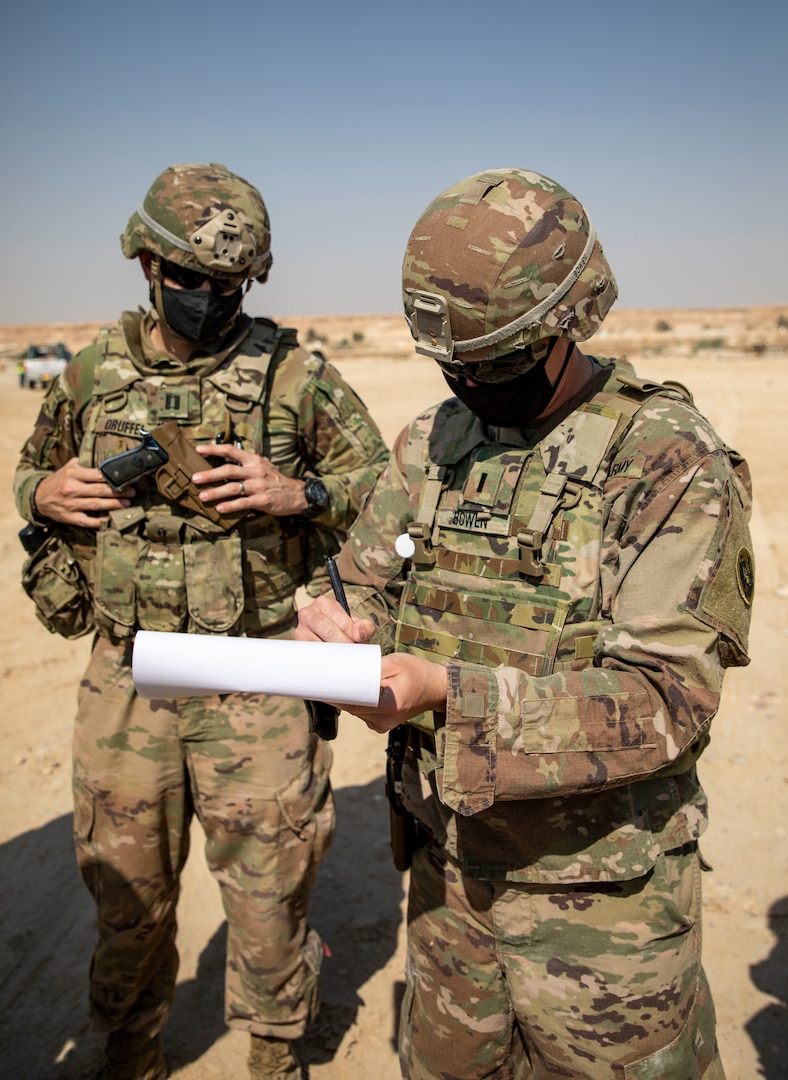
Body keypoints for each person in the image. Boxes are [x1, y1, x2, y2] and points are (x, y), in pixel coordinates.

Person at [296, 168, 755, 1079]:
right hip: (446, 885)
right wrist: (335, 621)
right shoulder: (436, 440)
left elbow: (665, 698)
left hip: (601, 913)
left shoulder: (665, 460)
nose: (472, 385)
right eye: (453, 366)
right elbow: (362, 579)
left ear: (570, 321)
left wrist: (445, 694)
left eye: (495, 364)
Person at [14, 162, 388, 1080]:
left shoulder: (298, 376)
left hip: (256, 672)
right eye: (190, 279)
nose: (209, 299)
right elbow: (32, 471)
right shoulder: (93, 372)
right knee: (126, 888)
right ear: (145, 262)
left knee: (269, 891)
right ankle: (129, 1048)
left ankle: (274, 1053)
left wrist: (300, 491)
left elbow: (386, 494)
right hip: (128, 673)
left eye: (231, 285)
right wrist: (43, 490)